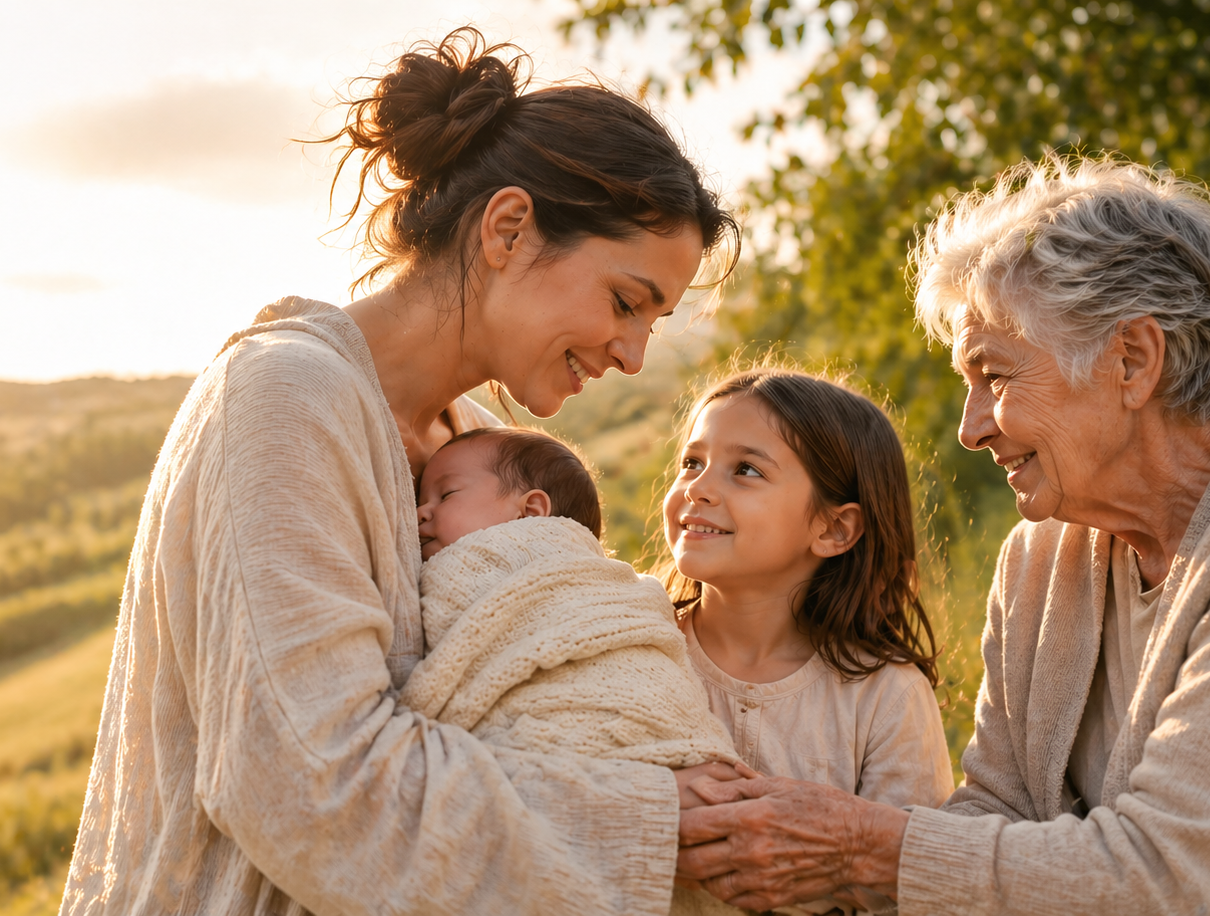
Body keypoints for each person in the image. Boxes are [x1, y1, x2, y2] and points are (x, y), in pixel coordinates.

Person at [58, 26, 742, 916]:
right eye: (624, 302)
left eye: (651, 323)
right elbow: (307, 779)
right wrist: (650, 824)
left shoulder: (480, 448)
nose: (633, 354)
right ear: (507, 229)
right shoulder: (284, 398)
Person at [674, 155, 1210, 915]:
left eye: (995, 377)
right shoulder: (1043, 556)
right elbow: (995, 811)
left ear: (1132, 360)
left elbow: (1170, 880)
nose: (970, 429)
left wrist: (862, 849)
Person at [660, 369, 953, 915]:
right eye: (692, 462)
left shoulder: (887, 696)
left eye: (745, 470)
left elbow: (905, 884)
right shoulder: (637, 646)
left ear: (834, 529)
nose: (696, 488)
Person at [403, 426, 737, 770]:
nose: (419, 513)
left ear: (531, 511)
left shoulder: (603, 583)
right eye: (419, 501)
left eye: (445, 495)